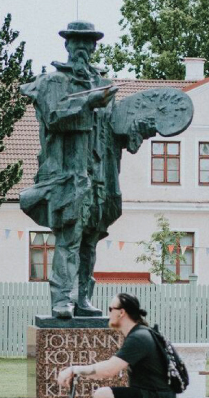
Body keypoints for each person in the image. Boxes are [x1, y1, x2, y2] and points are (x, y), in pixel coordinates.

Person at [19, 21, 156, 319]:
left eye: (88, 42)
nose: (82, 47)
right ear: (67, 45)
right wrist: (88, 103)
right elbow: (54, 118)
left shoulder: (104, 86)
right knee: (68, 238)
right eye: (76, 41)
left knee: (89, 241)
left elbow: (112, 133)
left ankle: (83, 298)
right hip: (68, 175)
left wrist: (138, 130)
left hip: (99, 176)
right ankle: (61, 300)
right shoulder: (52, 82)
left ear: (94, 47)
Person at [56, 293, 176, 398]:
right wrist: (80, 373)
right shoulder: (137, 335)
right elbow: (103, 371)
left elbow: (109, 370)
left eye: (111, 309)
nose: (109, 313)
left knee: (101, 395)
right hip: (154, 397)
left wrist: (74, 369)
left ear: (122, 312)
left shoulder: (139, 337)